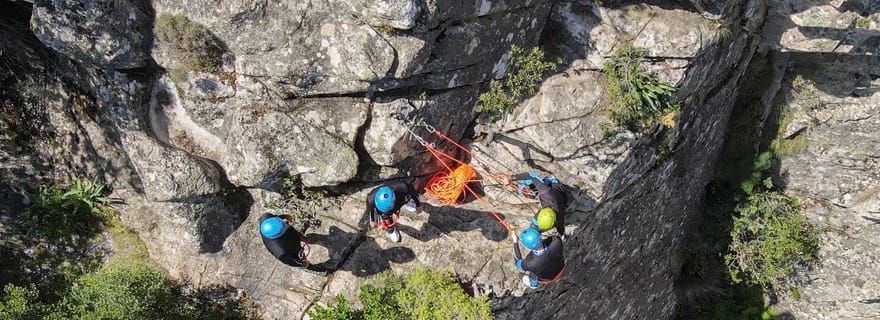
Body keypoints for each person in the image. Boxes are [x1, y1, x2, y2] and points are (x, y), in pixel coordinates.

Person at [259, 213, 326, 275]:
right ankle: (309, 268)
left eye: (285, 224)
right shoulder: (281, 252)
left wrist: (284, 216)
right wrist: (301, 264)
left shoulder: (266, 218)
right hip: (290, 248)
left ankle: (303, 238)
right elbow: (290, 262)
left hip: (288, 237)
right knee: (300, 258)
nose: (287, 225)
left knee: (296, 236)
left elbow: (276, 220)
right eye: (285, 225)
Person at [513, 171, 568, 239]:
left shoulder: (559, 216)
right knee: (524, 189)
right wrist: (512, 177)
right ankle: (520, 189)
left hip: (557, 191)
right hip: (551, 188)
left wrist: (562, 235)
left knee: (534, 226)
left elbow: (561, 228)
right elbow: (531, 175)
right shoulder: (545, 192)